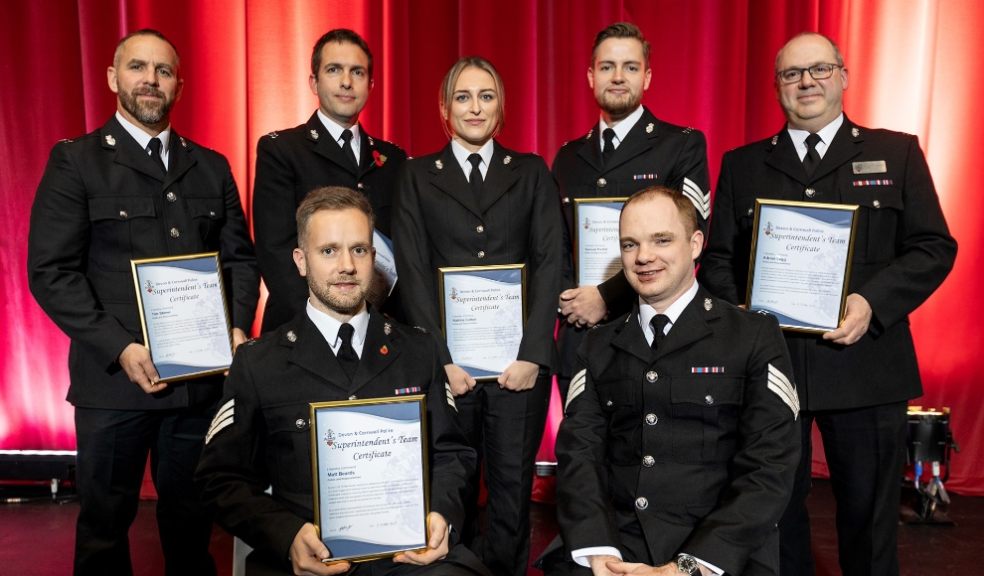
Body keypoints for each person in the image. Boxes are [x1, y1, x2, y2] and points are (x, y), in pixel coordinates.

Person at [698, 32, 957, 576]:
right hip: (774, 369)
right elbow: (717, 261)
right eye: (792, 74)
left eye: (818, 69)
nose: (806, 82)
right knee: (774, 516)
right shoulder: (744, 166)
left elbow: (934, 247)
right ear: (777, 89)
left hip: (868, 367)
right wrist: (747, 317)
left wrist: (871, 302)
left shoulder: (896, 151)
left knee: (869, 522)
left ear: (842, 75)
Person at [27, 29, 259, 576]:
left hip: (198, 387)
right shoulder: (76, 163)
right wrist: (121, 348)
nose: (150, 80)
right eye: (138, 67)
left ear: (180, 84)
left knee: (193, 526)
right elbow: (51, 273)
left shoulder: (211, 165)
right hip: (114, 385)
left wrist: (236, 328)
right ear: (113, 78)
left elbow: (240, 261)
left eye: (163, 70)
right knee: (104, 531)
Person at [196, 186, 488, 576]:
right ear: (301, 261)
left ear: (375, 259)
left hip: (407, 559)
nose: (346, 266)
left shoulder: (421, 350)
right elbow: (219, 479)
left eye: (359, 250)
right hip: (307, 561)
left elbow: (452, 454)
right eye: (329, 250)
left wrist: (442, 514)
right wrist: (286, 535)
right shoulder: (258, 363)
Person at [545, 186, 799, 576]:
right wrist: (600, 553)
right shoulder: (596, 346)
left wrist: (689, 567)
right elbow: (580, 457)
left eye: (661, 240)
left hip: (719, 549)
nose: (644, 256)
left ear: (695, 243)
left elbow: (769, 467)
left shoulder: (752, 335)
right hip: (615, 544)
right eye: (630, 245)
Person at [393, 56, 564, 576]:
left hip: (519, 370)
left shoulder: (531, 171)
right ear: (445, 109)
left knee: (512, 494)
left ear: (501, 107)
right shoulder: (417, 175)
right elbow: (413, 271)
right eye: (463, 97)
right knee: (452, 492)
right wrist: (439, 361)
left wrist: (534, 354)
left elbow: (552, 260)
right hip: (451, 371)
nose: (475, 107)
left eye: (486, 96)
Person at [553, 22, 710, 400]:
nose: (618, 77)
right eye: (607, 67)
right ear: (591, 76)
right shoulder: (568, 156)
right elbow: (555, 245)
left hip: (650, 329)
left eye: (631, 67)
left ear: (648, 76)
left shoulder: (680, 146)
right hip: (580, 337)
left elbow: (690, 238)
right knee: (581, 450)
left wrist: (605, 297)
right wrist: (568, 300)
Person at [253, 28, 407, 332]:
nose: (346, 81)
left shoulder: (394, 159)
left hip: (378, 328)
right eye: (334, 69)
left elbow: (404, 253)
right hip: (302, 327)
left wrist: (376, 323)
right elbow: (276, 253)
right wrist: (327, 324)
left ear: (371, 84)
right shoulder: (282, 150)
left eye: (357, 72)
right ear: (314, 81)